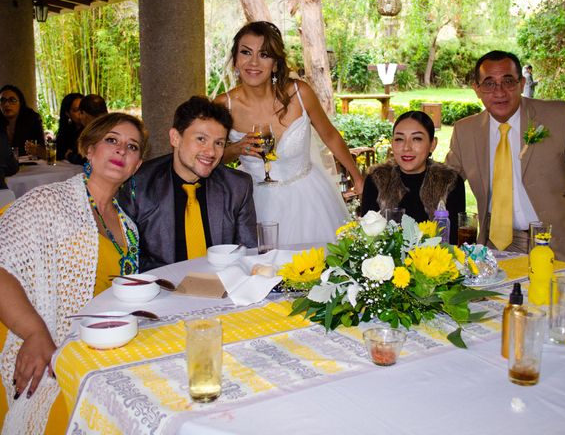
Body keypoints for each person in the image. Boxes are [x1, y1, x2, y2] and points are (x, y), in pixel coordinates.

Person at [0, 112, 147, 433]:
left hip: (103, 347)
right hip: (48, 347)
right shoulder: (47, 203)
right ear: (89, 149)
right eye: (112, 140)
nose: (122, 150)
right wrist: (35, 333)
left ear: (137, 165)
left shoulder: (129, 227)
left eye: (132, 147)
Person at [445, 50, 565, 266]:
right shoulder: (465, 131)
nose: (499, 91)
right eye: (489, 83)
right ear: (477, 89)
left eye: (508, 81)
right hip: (498, 247)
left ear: (521, 84)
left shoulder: (560, 115)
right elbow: (444, 180)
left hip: (562, 243)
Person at [215, 21, 362, 245]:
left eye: (264, 54)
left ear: (275, 64)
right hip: (253, 205)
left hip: (310, 202)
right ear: (236, 60)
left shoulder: (300, 94)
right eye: (246, 52)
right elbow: (210, 157)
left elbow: (330, 136)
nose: (253, 62)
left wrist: (357, 176)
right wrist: (235, 149)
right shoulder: (222, 106)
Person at [119, 96, 257, 271]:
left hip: (224, 288)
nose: (211, 152)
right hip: (162, 290)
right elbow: (129, 258)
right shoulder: (139, 185)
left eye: (219, 143)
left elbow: (248, 253)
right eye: (201, 139)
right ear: (175, 138)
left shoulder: (237, 186)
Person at [361, 111, 465, 243]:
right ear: (392, 143)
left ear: (433, 144)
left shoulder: (449, 182)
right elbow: (366, 238)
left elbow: (455, 242)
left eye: (417, 139)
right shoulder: (377, 181)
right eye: (399, 139)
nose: (406, 147)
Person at [0, 84, 45, 156]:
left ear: (20, 103)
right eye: (2, 100)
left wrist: (36, 150)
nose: (6, 104)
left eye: (12, 100)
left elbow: (45, 151)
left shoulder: (32, 119)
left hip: (29, 165)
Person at [55, 92, 84, 163]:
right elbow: (58, 154)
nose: (81, 113)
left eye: (83, 109)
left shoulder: (91, 130)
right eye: (76, 110)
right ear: (67, 113)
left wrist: (69, 155)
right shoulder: (67, 131)